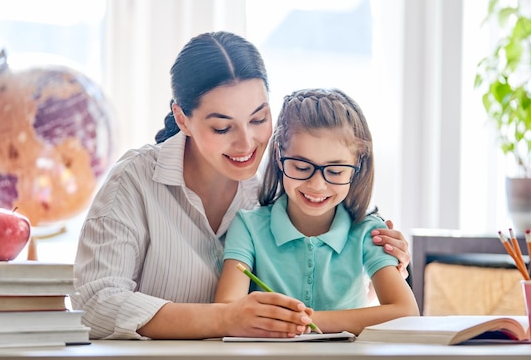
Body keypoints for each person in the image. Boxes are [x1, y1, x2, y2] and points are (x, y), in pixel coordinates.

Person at [73, 31, 411, 340]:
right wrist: (223, 319)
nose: (247, 143)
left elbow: (334, 277)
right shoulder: (135, 181)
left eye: (259, 119)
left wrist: (383, 259)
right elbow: (96, 305)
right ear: (182, 119)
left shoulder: (286, 177)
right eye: (223, 128)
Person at [214, 88, 419, 336]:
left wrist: (305, 320)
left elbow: (405, 312)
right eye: (301, 167)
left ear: (357, 167)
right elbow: (224, 311)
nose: (317, 185)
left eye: (335, 172)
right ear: (279, 157)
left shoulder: (369, 231)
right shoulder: (248, 226)